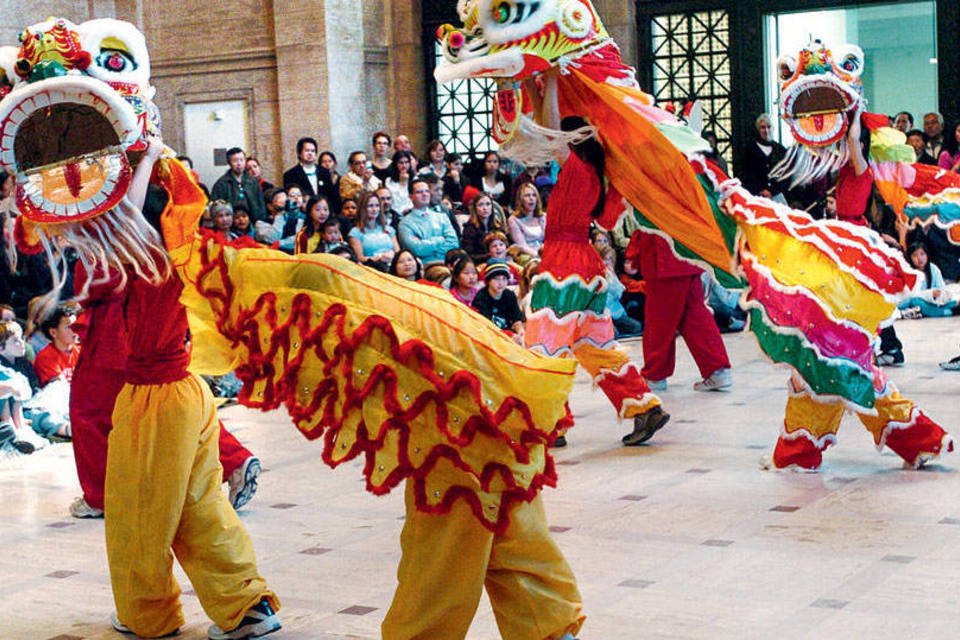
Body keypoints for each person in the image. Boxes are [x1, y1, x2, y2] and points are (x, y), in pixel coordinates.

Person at [397, 177, 459, 280]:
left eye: (427, 191)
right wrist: (440, 239)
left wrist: (428, 245)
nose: (425, 194)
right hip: (426, 267)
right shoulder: (405, 224)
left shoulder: (441, 217)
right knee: (446, 277)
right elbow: (417, 249)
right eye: (419, 192)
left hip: (448, 263)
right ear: (410, 196)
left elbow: (453, 243)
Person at [897, 241, 957, 318]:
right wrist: (930, 293)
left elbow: (941, 288)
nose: (919, 258)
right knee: (915, 301)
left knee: (952, 300)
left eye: (922, 254)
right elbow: (910, 295)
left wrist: (939, 294)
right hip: (915, 302)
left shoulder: (933, 268)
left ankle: (946, 309)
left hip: (933, 302)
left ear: (927, 255)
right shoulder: (908, 272)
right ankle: (945, 312)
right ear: (910, 258)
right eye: (915, 255)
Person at [209, 147, 267, 222]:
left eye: (242, 160)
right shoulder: (221, 184)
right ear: (229, 163)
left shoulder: (253, 181)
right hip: (230, 224)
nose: (239, 163)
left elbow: (261, 204)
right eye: (235, 161)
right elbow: (216, 207)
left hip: (253, 222)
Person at [472, 260, 524, 343]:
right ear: (488, 281)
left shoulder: (509, 295)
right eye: (496, 279)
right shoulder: (481, 298)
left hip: (509, 335)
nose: (501, 283)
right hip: (489, 337)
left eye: (504, 279)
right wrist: (509, 335)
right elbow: (486, 326)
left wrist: (520, 331)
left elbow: (516, 317)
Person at [283, 136, 339, 212]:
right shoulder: (290, 175)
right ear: (299, 153)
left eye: (313, 151)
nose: (310, 153)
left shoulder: (324, 172)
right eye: (307, 151)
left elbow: (332, 196)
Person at [347, 191, 399, 271]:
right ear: (363, 208)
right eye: (370, 206)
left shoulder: (389, 229)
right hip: (372, 269)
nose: (374, 209)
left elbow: (398, 253)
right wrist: (378, 258)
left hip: (393, 267)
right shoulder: (355, 233)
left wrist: (392, 256)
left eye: (377, 206)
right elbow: (360, 258)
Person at [739, 113, 787, 198]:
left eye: (769, 127)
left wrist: (772, 191)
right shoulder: (749, 150)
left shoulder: (780, 150)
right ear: (758, 129)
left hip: (777, 196)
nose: (766, 130)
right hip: (755, 196)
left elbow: (785, 175)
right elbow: (745, 175)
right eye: (763, 127)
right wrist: (759, 190)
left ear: (773, 128)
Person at [33, 305, 80, 387]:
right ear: (53, 332)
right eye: (69, 327)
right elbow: (59, 388)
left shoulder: (81, 351)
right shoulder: (45, 358)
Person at [460, 192, 508, 264]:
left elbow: (506, 245)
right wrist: (490, 256)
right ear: (475, 208)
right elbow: (469, 255)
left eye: (488, 204)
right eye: (480, 205)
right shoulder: (469, 229)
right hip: (481, 263)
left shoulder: (498, 226)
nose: (485, 208)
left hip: (502, 259)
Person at [507, 182, 546, 261]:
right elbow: (522, 246)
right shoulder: (513, 220)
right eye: (527, 195)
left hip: (544, 251)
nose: (531, 198)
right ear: (520, 199)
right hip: (526, 255)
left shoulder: (543, 217)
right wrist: (540, 257)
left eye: (534, 195)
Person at [384, 150, 415, 215]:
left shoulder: (415, 179)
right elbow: (396, 202)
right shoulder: (389, 181)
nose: (404, 166)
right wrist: (403, 184)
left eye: (406, 162)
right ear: (395, 164)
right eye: (401, 163)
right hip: (395, 214)